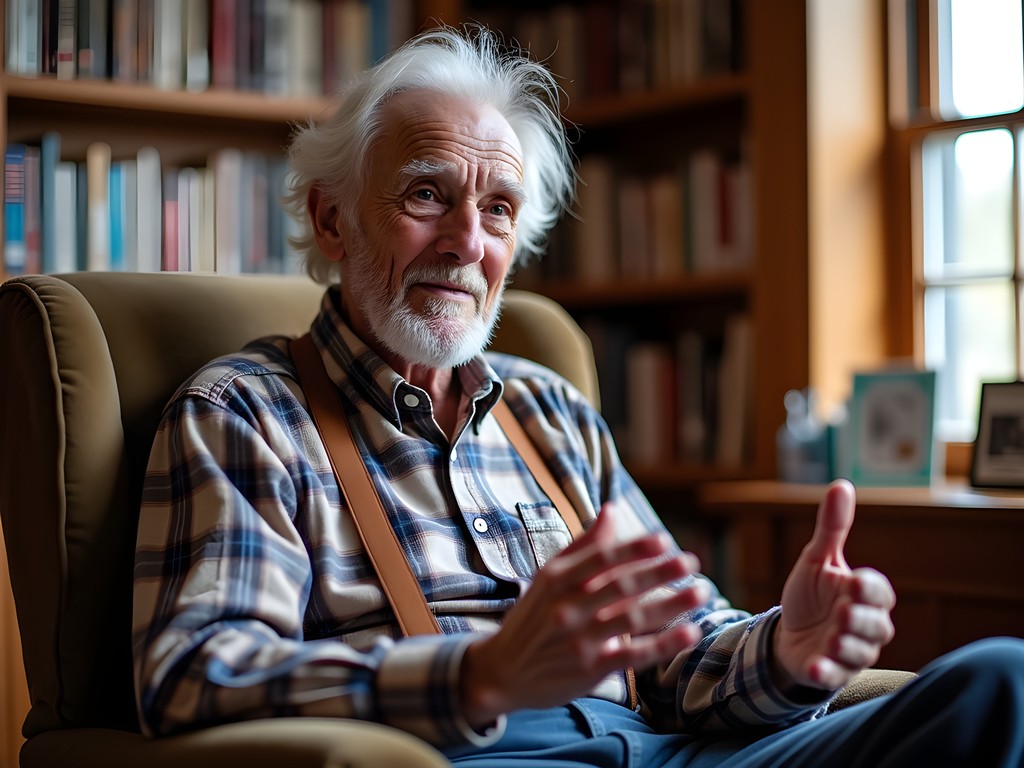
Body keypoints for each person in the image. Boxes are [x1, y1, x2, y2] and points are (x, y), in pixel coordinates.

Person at [132, 25, 1024, 767]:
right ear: (332, 218)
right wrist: (475, 677)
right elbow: (193, 674)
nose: (463, 243)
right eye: (425, 195)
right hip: (481, 756)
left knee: (1001, 682)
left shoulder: (549, 410)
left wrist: (785, 648)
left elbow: (682, 646)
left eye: (498, 211)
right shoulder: (246, 411)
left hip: (668, 750)